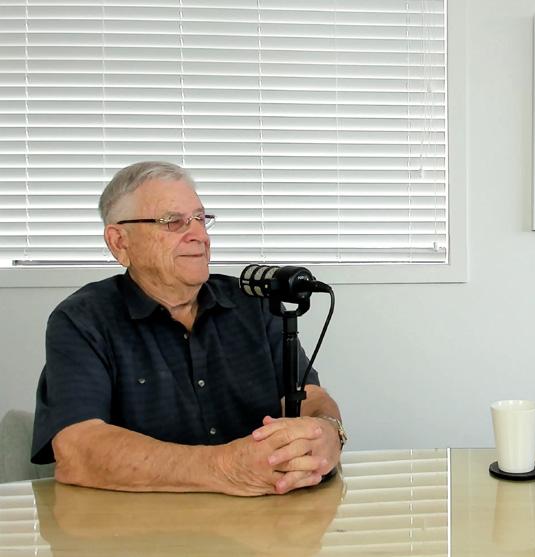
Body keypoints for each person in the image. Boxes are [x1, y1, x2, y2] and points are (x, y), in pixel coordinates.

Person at [31, 161, 345, 496]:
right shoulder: (82, 320)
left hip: (265, 516)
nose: (199, 235)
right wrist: (225, 468)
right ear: (119, 242)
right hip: (140, 523)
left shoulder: (254, 304)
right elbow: (77, 449)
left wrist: (326, 431)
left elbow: (309, 396)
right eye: (173, 221)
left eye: (200, 218)